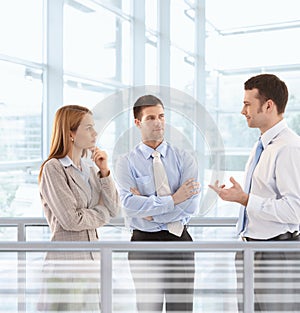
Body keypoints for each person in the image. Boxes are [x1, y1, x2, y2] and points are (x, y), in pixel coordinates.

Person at [209, 74, 300, 312]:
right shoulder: (262, 145)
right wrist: (238, 197)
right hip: (252, 251)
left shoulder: (289, 148)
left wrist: (247, 199)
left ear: (268, 105)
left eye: (248, 103)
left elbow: (295, 210)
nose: (242, 111)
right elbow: (264, 197)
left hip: (275, 256)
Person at [115, 95, 200, 313]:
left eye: (161, 116)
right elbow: (128, 205)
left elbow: (190, 205)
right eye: (151, 118)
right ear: (137, 123)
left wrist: (149, 211)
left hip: (179, 240)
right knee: (148, 308)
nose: (158, 122)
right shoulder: (126, 162)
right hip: (144, 244)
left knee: (181, 309)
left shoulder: (185, 158)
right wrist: (173, 199)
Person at [38, 105, 120, 312]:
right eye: (89, 128)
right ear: (71, 133)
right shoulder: (54, 168)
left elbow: (114, 208)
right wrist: (101, 214)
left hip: (93, 262)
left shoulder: (91, 169)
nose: (95, 133)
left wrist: (104, 171)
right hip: (67, 264)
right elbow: (71, 220)